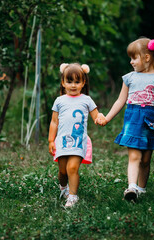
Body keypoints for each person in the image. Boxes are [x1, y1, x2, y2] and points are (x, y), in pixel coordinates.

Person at [96, 38, 154, 202]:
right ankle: (131, 187)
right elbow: (120, 101)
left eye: (134, 58)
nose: (131, 62)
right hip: (133, 120)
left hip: (150, 121)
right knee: (134, 157)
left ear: (147, 58)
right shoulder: (129, 78)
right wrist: (107, 118)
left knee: (145, 160)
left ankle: (142, 188)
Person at [48, 63, 101, 208]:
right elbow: (54, 122)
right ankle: (63, 188)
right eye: (69, 81)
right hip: (62, 141)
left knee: (72, 168)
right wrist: (51, 140)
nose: (73, 85)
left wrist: (100, 119)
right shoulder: (59, 101)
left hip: (78, 141)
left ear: (83, 83)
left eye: (77, 82)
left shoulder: (86, 100)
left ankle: (72, 196)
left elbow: (96, 115)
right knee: (62, 171)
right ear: (63, 82)